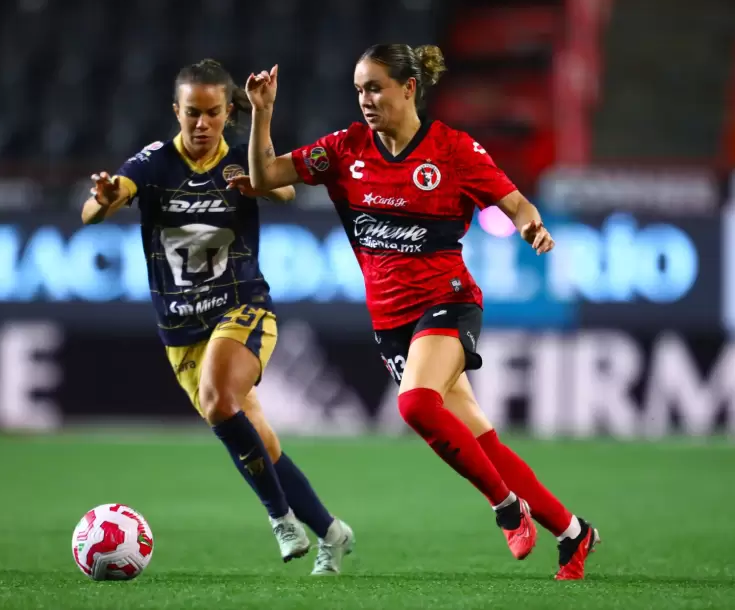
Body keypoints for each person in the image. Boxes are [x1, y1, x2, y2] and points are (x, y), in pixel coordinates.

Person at [233, 45, 598, 580]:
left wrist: (530, 224)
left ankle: (505, 507)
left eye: (375, 87)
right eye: (359, 89)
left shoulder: (453, 150)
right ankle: (573, 533)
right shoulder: (344, 149)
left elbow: (515, 201)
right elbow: (265, 176)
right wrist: (263, 111)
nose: (365, 100)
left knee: (415, 406)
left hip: (448, 301)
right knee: (480, 439)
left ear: (408, 88)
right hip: (390, 324)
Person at [80, 58, 354, 575]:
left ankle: (280, 520)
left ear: (229, 112)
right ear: (176, 111)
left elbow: (285, 189)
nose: (201, 124)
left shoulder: (239, 162)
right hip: (181, 330)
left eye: (211, 113)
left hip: (242, 308)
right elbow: (100, 205)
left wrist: (260, 152)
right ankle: (333, 532)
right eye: (191, 114)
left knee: (217, 398)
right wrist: (104, 199)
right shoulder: (154, 163)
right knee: (256, 438)